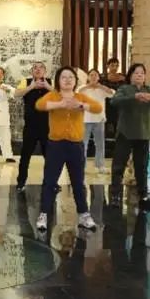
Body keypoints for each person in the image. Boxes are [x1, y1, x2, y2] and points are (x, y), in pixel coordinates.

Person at [34, 66, 102, 232]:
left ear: (75, 81)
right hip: (56, 145)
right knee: (50, 181)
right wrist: (60, 104)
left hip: (75, 146)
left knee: (78, 182)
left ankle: (84, 214)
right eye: (63, 77)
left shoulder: (80, 97)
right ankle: (44, 214)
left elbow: (97, 108)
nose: (67, 80)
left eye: (71, 77)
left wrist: (81, 105)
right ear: (58, 80)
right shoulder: (53, 95)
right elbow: (39, 105)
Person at [108, 63, 150, 209]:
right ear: (130, 76)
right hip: (125, 133)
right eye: (136, 73)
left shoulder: (149, 90)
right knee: (118, 166)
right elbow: (114, 101)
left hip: (143, 134)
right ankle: (115, 196)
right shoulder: (124, 89)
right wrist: (134, 97)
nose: (139, 75)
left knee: (141, 167)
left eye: (142, 73)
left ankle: (143, 197)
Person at [14, 62, 51, 193]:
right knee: (25, 155)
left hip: (47, 126)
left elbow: (61, 95)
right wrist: (31, 87)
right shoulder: (26, 82)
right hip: (30, 126)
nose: (38, 69)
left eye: (41, 67)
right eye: (35, 68)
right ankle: (21, 182)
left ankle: (51, 182)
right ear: (32, 71)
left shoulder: (51, 82)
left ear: (45, 71)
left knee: (50, 156)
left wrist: (48, 87)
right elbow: (16, 94)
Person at [77, 69, 114, 174]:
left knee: (100, 144)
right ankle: (81, 166)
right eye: (91, 75)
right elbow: (76, 93)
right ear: (88, 77)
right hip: (85, 119)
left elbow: (112, 93)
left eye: (95, 75)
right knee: (83, 144)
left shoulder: (102, 88)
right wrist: (88, 86)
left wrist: (100, 86)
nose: (93, 77)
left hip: (99, 119)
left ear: (98, 77)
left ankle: (100, 166)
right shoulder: (83, 88)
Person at [0, 66, 16, 164]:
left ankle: (8, 156)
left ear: (3, 75)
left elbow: (14, 94)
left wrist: (6, 90)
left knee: (5, 136)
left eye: (1, 73)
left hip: (4, 114)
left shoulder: (7, 86)